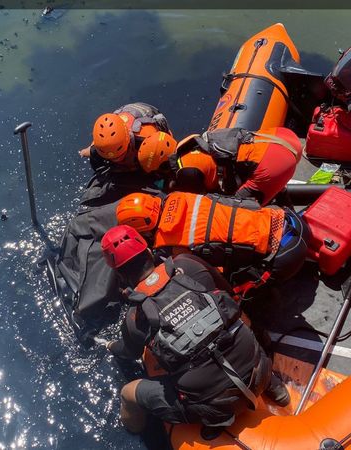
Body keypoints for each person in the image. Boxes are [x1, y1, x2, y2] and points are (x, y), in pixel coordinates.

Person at [100, 225, 290, 435]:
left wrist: (109, 344)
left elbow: (127, 352)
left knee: (128, 393)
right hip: (260, 369)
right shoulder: (187, 264)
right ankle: (274, 386)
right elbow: (226, 291)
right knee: (237, 318)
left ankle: (135, 434)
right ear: (148, 251)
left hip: (215, 408)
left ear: (119, 274)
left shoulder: (134, 318)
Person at [114, 191, 308, 288]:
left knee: (230, 290)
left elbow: (206, 277)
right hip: (290, 219)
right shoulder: (179, 196)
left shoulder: (172, 247)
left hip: (285, 255)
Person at [171, 127, 302, 205]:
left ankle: (283, 213)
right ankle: (277, 190)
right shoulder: (185, 145)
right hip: (281, 136)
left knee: (236, 208)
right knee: (260, 176)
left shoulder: (187, 174)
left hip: (275, 163)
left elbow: (199, 205)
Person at [80, 103, 174, 174]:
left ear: (127, 140)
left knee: (158, 161)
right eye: (113, 158)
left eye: (120, 156)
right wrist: (83, 153)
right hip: (123, 119)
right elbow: (88, 152)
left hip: (147, 116)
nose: (117, 160)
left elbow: (169, 146)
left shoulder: (147, 138)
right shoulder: (102, 145)